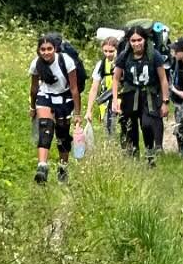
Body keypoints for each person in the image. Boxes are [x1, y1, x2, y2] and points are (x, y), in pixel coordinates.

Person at [114, 22, 169, 166]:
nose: (136, 43)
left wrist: (165, 101)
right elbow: (115, 78)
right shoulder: (124, 56)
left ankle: (150, 153)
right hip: (130, 95)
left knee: (147, 124)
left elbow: (163, 79)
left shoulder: (154, 55)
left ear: (145, 40)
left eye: (139, 40)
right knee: (130, 127)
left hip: (149, 95)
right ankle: (133, 156)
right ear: (129, 41)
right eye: (133, 40)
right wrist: (115, 99)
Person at [30, 32, 81, 184]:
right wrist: (32, 107)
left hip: (65, 98)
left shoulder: (66, 61)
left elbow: (74, 88)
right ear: (39, 51)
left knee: (63, 136)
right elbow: (33, 89)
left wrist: (77, 113)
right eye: (43, 49)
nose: (46, 52)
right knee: (45, 128)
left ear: (55, 49)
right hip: (45, 96)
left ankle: (62, 168)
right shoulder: (36, 64)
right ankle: (42, 166)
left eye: (49, 49)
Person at [84, 31, 122, 139]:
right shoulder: (101, 65)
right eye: (105, 51)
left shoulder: (123, 62)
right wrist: (89, 111)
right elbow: (94, 88)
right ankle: (112, 149)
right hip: (107, 101)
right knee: (108, 127)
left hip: (122, 98)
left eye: (111, 51)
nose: (108, 54)